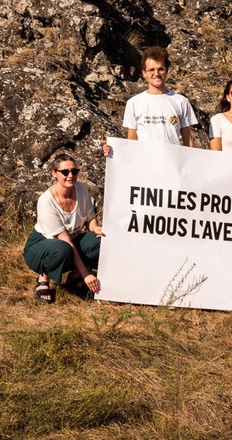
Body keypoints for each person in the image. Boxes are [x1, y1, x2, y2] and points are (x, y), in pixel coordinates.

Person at [23, 153, 104, 304]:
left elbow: (90, 219)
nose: (70, 175)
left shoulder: (81, 189)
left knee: (101, 241)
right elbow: (65, 240)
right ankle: (43, 276)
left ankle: (74, 278)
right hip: (44, 244)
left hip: (70, 240)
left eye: (74, 171)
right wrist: (86, 274)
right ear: (54, 173)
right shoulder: (46, 201)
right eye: (65, 172)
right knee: (62, 249)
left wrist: (96, 228)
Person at [122, 46, 197, 147]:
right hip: (145, 162)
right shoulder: (133, 103)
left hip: (174, 161)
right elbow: (131, 142)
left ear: (166, 71)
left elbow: (188, 141)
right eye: (151, 70)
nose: (156, 74)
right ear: (144, 73)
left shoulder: (181, 102)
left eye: (160, 69)